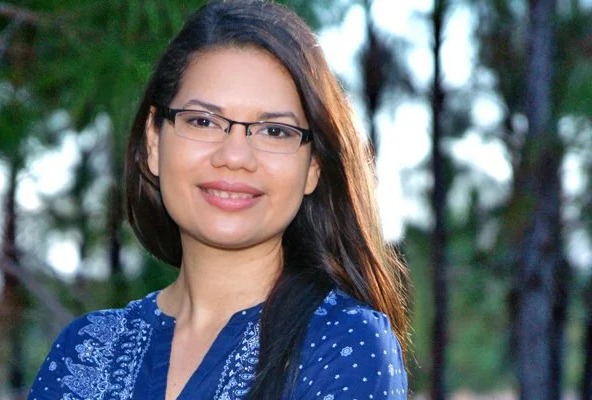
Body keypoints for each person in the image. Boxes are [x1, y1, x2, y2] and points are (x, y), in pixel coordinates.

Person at [28, 1, 410, 399]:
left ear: (313, 165)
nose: (234, 157)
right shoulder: (83, 351)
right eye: (203, 121)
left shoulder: (344, 343)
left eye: (274, 131)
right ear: (154, 142)